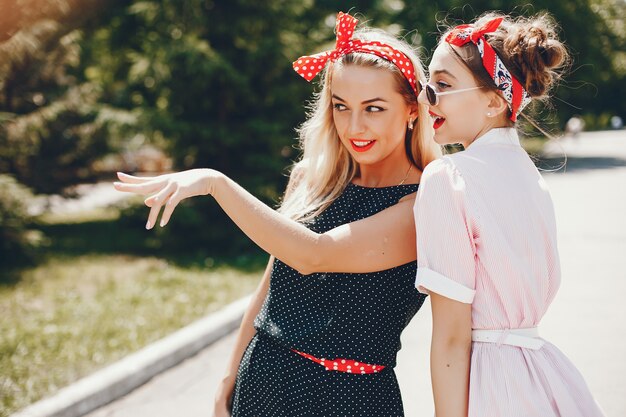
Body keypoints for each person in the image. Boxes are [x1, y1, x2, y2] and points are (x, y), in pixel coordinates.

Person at [114, 12, 440, 417]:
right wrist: (228, 378)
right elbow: (269, 287)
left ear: (412, 109)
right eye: (341, 106)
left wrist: (216, 182)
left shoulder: (424, 202)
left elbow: (313, 254)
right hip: (263, 380)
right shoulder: (312, 179)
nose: (354, 126)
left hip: (353, 399)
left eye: (373, 108)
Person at [413, 12, 605, 417]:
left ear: (493, 101)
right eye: (427, 83)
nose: (426, 96)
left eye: (442, 85)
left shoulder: (449, 177)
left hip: (491, 386)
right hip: (543, 376)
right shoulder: (529, 176)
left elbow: (451, 338)